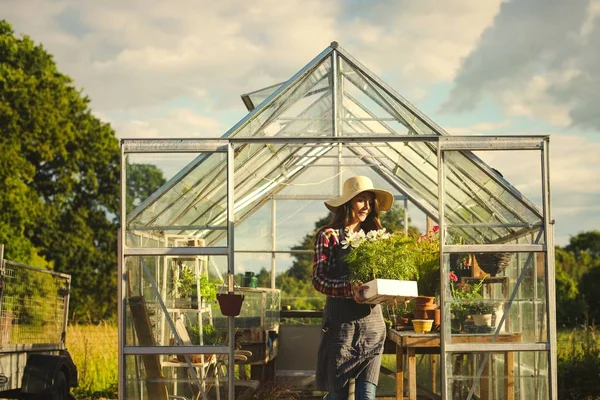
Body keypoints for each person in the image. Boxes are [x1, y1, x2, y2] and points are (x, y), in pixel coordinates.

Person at [312, 175, 394, 400]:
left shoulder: (375, 238)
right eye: (360, 200)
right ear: (347, 203)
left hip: (372, 330)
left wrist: (394, 292)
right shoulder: (328, 236)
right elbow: (319, 280)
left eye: (369, 200)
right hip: (341, 332)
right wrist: (349, 289)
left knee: (366, 396)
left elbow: (384, 278)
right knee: (337, 396)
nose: (366, 206)